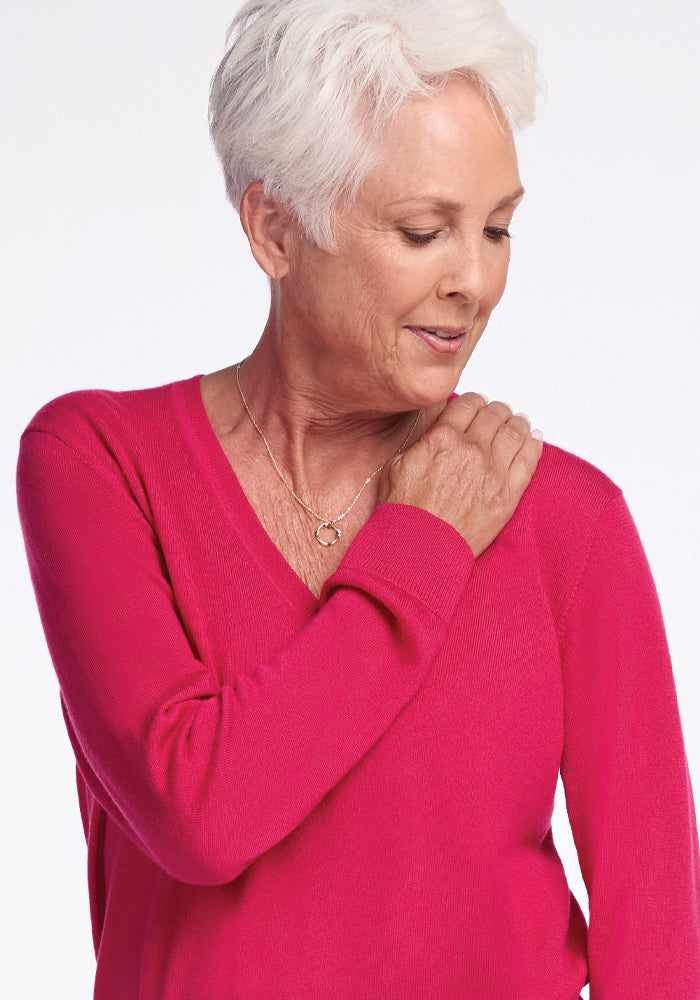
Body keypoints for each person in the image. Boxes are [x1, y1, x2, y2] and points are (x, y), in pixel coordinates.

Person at [16, 0, 700, 997]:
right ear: (275, 229)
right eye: (423, 231)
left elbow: (657, 937)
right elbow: (198, 816)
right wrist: (417, 548)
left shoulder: (567, 520)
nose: (475, 279)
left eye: (498, 226)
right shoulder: (99, 465)